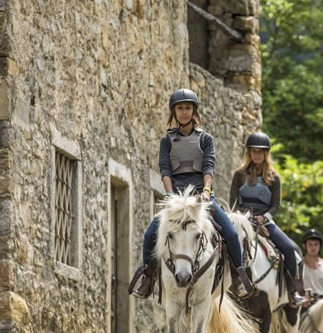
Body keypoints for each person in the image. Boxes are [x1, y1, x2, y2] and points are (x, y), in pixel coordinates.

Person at [129, 88, 251, 299]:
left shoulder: (206, 139)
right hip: (176, 199)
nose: (184, 112)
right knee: (150, 234)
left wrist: (205, 191)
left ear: (193, 111)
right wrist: (168, 194)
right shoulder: (167, 141)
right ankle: (148, 276)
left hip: (200, 198)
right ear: (174, 112)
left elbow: (208, 167)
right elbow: (165, 169)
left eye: (187, 108)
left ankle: (239, 276)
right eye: (180, 108)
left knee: (230, 233)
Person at [229, 131, 305, 305]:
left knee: (290, 248)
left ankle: (293, 290)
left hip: (265, 220)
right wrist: (245, 217)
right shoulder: (239, 175)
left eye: (260, 151)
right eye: (254, 151)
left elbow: (276, 205)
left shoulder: (274, 177)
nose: (257, 155)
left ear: (266, 154)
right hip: (242, 219)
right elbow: (233, 203)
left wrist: (265, 217)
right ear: (249, 153)